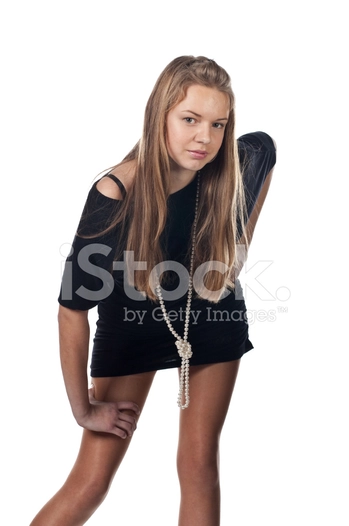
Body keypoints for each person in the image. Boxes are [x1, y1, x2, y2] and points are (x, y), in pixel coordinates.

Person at [30, 55, 276, 525]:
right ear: (158, 114)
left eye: (218, 123)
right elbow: (71, 311)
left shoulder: (236, 163)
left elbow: (264, 150)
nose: (205, 137)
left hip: (210, 318)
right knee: (91, 483)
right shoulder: (114, 196)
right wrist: (83, 410)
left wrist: (233, 246)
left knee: (199, 466)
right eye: (189, 119)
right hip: (131, 326)